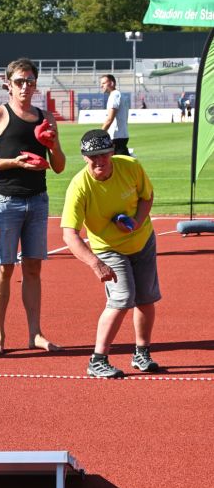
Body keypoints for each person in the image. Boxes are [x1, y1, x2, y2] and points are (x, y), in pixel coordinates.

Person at [0, 57, 66, 356]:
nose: (26, 87)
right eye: (20, 81)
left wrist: (52, 146)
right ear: (8, 85)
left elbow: (60, 167)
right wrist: (14, 162)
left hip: (38, 200)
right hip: (7, 200)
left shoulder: (45, 117)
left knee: (34, 268)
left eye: (31, 82)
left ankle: (35, 334)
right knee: (4, 267)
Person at [61, 129, 161, 379]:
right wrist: (95, 264)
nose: (99, 161)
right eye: (93, 156)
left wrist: (137, 222)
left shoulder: (130, 167)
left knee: (146, 298)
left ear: (112, 152)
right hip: (108, 247)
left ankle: (142, 353)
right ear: (84, 157)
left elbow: (147, 197)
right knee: (123, 297)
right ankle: (97, 360)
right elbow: (69, 234)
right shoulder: (79, 187)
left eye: (104, 154)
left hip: (142, 239)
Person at [100, 74, 130, 156]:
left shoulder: (114, 95)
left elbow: (110, 119)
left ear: (112, 83)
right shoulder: (118, 95)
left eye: (103, 83)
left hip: (117, 137)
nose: (101, 86)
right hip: (120, 135)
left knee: (119, 165)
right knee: (121, 164)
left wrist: (99, 134)